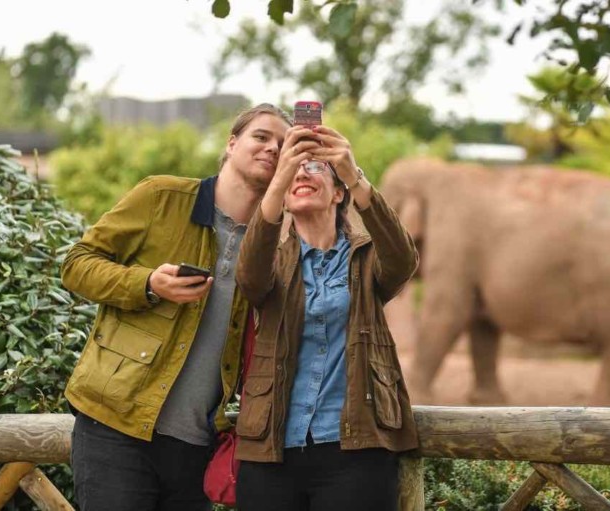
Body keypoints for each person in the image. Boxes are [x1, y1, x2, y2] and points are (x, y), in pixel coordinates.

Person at [60, 103, 292, 511]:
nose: (272, 148)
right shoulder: (160, 197)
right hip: (116, 425)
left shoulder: (276, 243)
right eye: (261, 136)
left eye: (283, 144)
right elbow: (76, 264)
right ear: (232, 143)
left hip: (197, 445)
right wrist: (147, 283)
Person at [234, 123, 419, 511]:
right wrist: (282, 172)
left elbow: (403, 259)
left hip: (355, 450)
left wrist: (354, 173)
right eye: (295, 172)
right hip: (271, 450)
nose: (303, 173)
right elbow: (249, 277)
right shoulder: (271, 263)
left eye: (316, 168)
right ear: (282, 198)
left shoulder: (366, 259)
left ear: (339, 193)